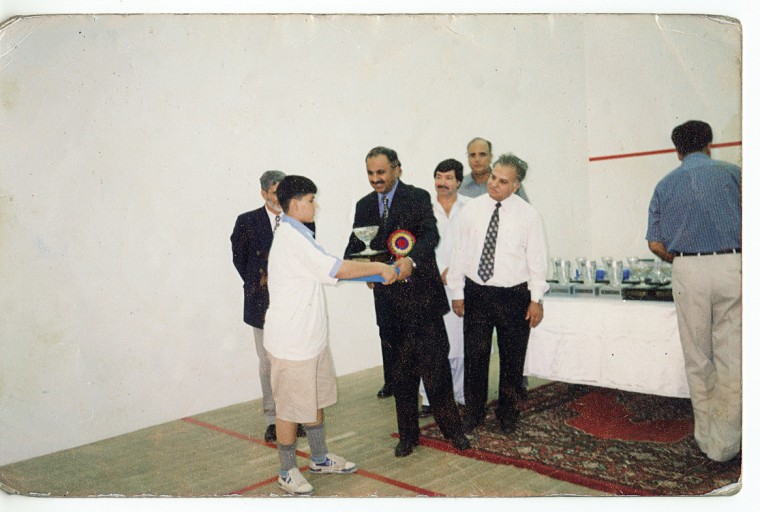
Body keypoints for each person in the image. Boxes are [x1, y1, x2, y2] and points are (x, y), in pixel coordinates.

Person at [265, 175, 397, 495]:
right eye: (311, 200)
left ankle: (320, 458)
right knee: (290, 410)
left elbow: (329, 271)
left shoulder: (300, 232)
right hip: (292, 344)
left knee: (316, 399)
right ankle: (286, 471)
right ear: (295, 204)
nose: (315, 205)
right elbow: (336, 269)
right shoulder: (291, 238)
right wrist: (380, 268)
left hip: (311, 339)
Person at [344, 146, 471, 457]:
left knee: (437, 372)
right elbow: (354, 246)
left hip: (423, 301)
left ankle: (453, 432)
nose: (376, 179)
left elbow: (430, 237)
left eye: (381, 173)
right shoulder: (363, 205)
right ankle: (407, 436)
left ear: (397, 169)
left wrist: (410, 261)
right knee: (401, 376)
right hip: (388, 306)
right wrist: (368, 270)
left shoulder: (416, 197)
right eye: (370, 174)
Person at [646, 120, 741, 463]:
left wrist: (682, 258)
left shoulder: (664, 184)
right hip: (734, 265)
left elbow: (655, 242)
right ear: (710, 144)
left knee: (699, 358)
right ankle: (730, 441)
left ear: (677, 151)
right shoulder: (734, 174)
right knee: (734, 355)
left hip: (688, 269)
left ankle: (709, 441)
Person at [448, 153, 548, 434]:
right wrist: (458, 290)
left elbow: (537, 261)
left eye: (503, 181)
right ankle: (474, 413)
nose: (494, 184)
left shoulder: (529, 215)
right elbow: (460, 252)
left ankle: (508, 413)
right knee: (475, 356)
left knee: (512, 359)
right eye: (493, 177)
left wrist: (535, 299)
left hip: (514, 295)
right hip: (477, 292)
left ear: (516, 185)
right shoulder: (471, 210)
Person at [231, 170, 304, 442]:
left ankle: (296, 417)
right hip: (261, 304)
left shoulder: (298, 219)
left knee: (295, 361)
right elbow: (241, 261)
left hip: (294, 304)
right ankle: (273, 420)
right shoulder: (246, 222)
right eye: (275, 193)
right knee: (268, 363)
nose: (281, 198)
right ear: (263, 194)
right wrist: (261, 285)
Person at [418, 159, 469, 418]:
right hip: (428, 285)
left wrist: (457, 269)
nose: (442, 182)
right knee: (430, 344)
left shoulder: (470, 207)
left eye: (448, 177)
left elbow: (478, 246)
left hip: (460, 286)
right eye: (438, 176)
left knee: (458, 345)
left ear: (459, 181)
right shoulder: (423, 208)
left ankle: (459, 396)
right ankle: (429, 399)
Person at [460, 137, 529, 202]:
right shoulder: (459, 186)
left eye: (482, 154)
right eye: (472, 155)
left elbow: (526, 211)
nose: (477, 159)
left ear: (491, 157)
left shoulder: (509, 183)